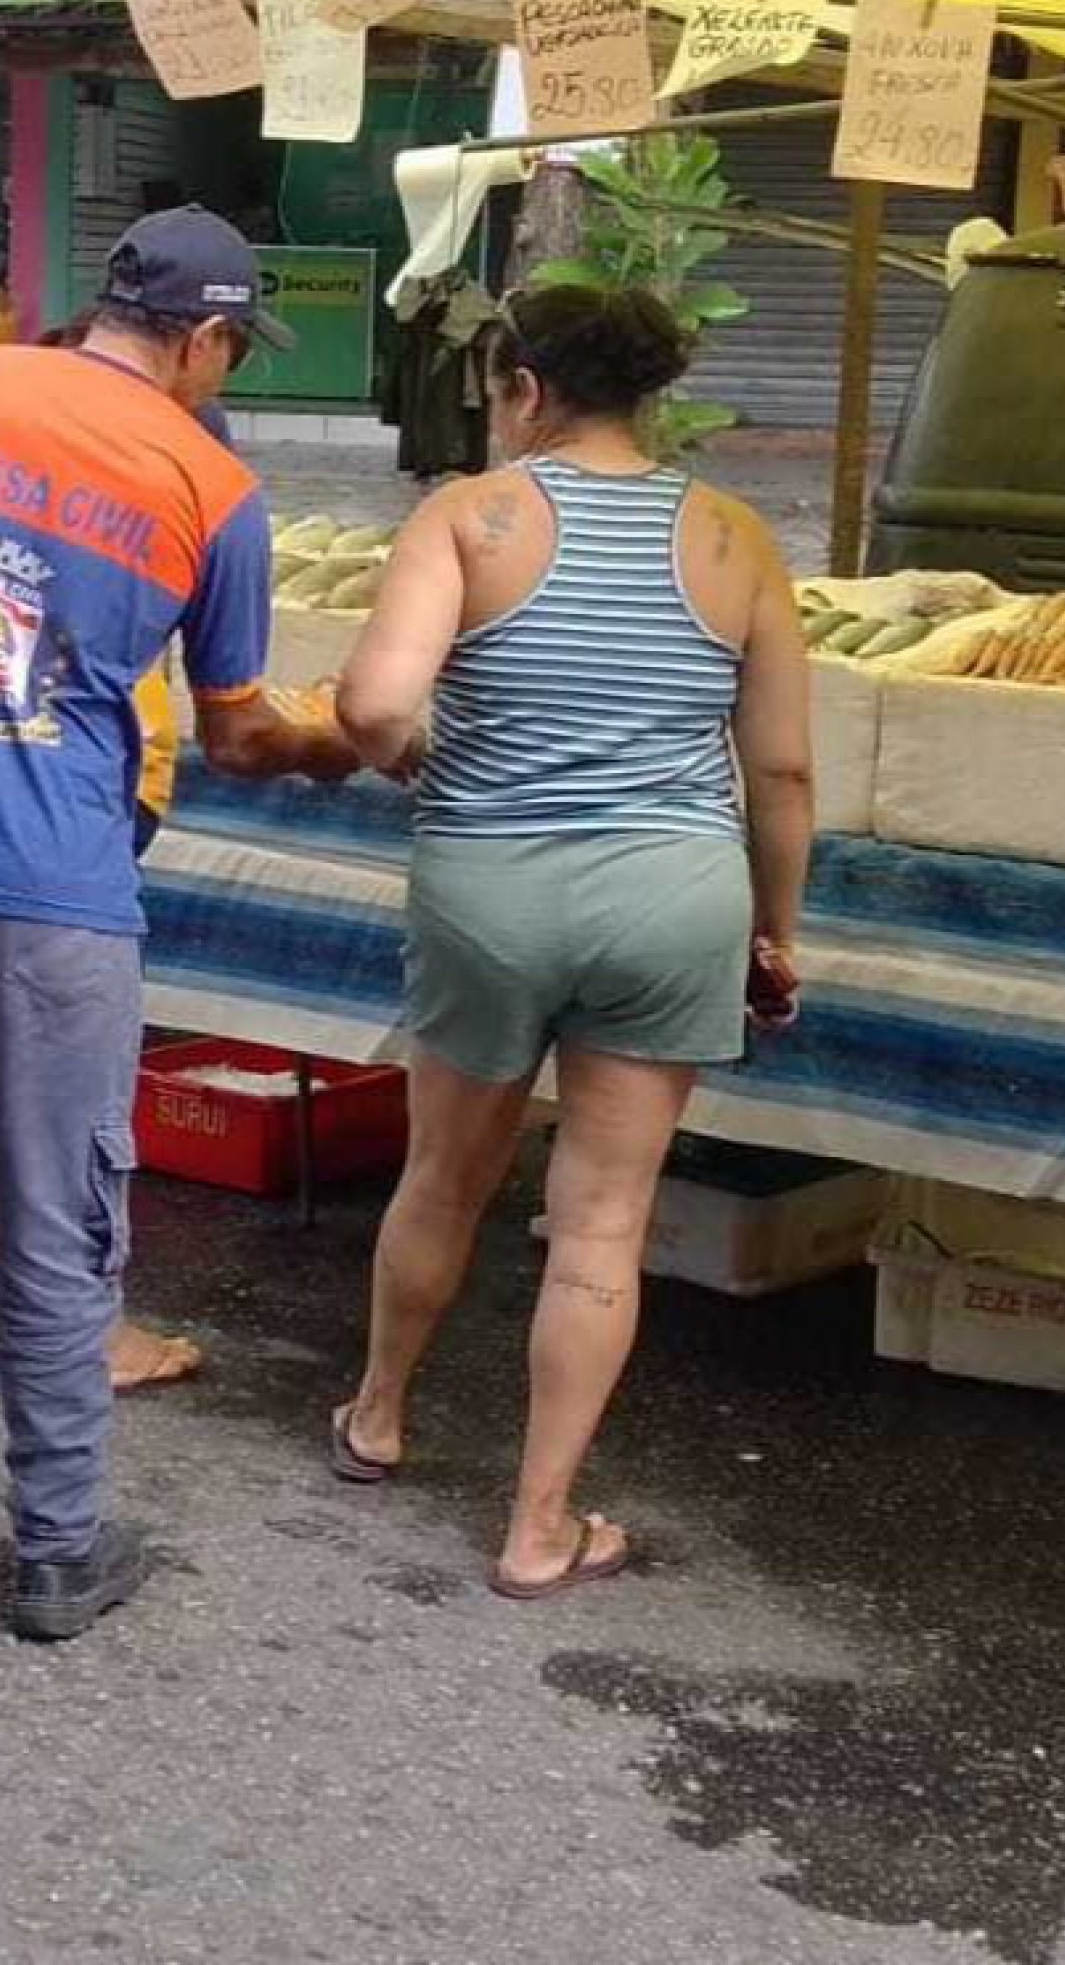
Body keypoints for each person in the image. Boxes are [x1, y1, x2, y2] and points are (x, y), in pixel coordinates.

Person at [0, 206, 358, 1660]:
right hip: (68, 905)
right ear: (208, 337)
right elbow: (231, 733)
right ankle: (55, 1552)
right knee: (58, 1233)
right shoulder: (215, 486)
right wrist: (331, 746)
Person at [329, 285, 811, 1598]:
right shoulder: (735, 540)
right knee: (600, 1225)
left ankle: (378, 1414)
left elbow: (372, 705)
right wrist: (774, 932)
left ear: (527, 388)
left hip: (491, 886)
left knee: (443, 1177)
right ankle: (539, 1524)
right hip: (676, 899)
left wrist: (431, 758)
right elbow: (780, 776)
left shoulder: (467, 520)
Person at [0, 308, 234, 1393]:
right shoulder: (158, 464)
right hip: (80, 806)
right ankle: (79, 1330)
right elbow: (232, 697)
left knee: (18, 1061)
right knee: (73, 1069)